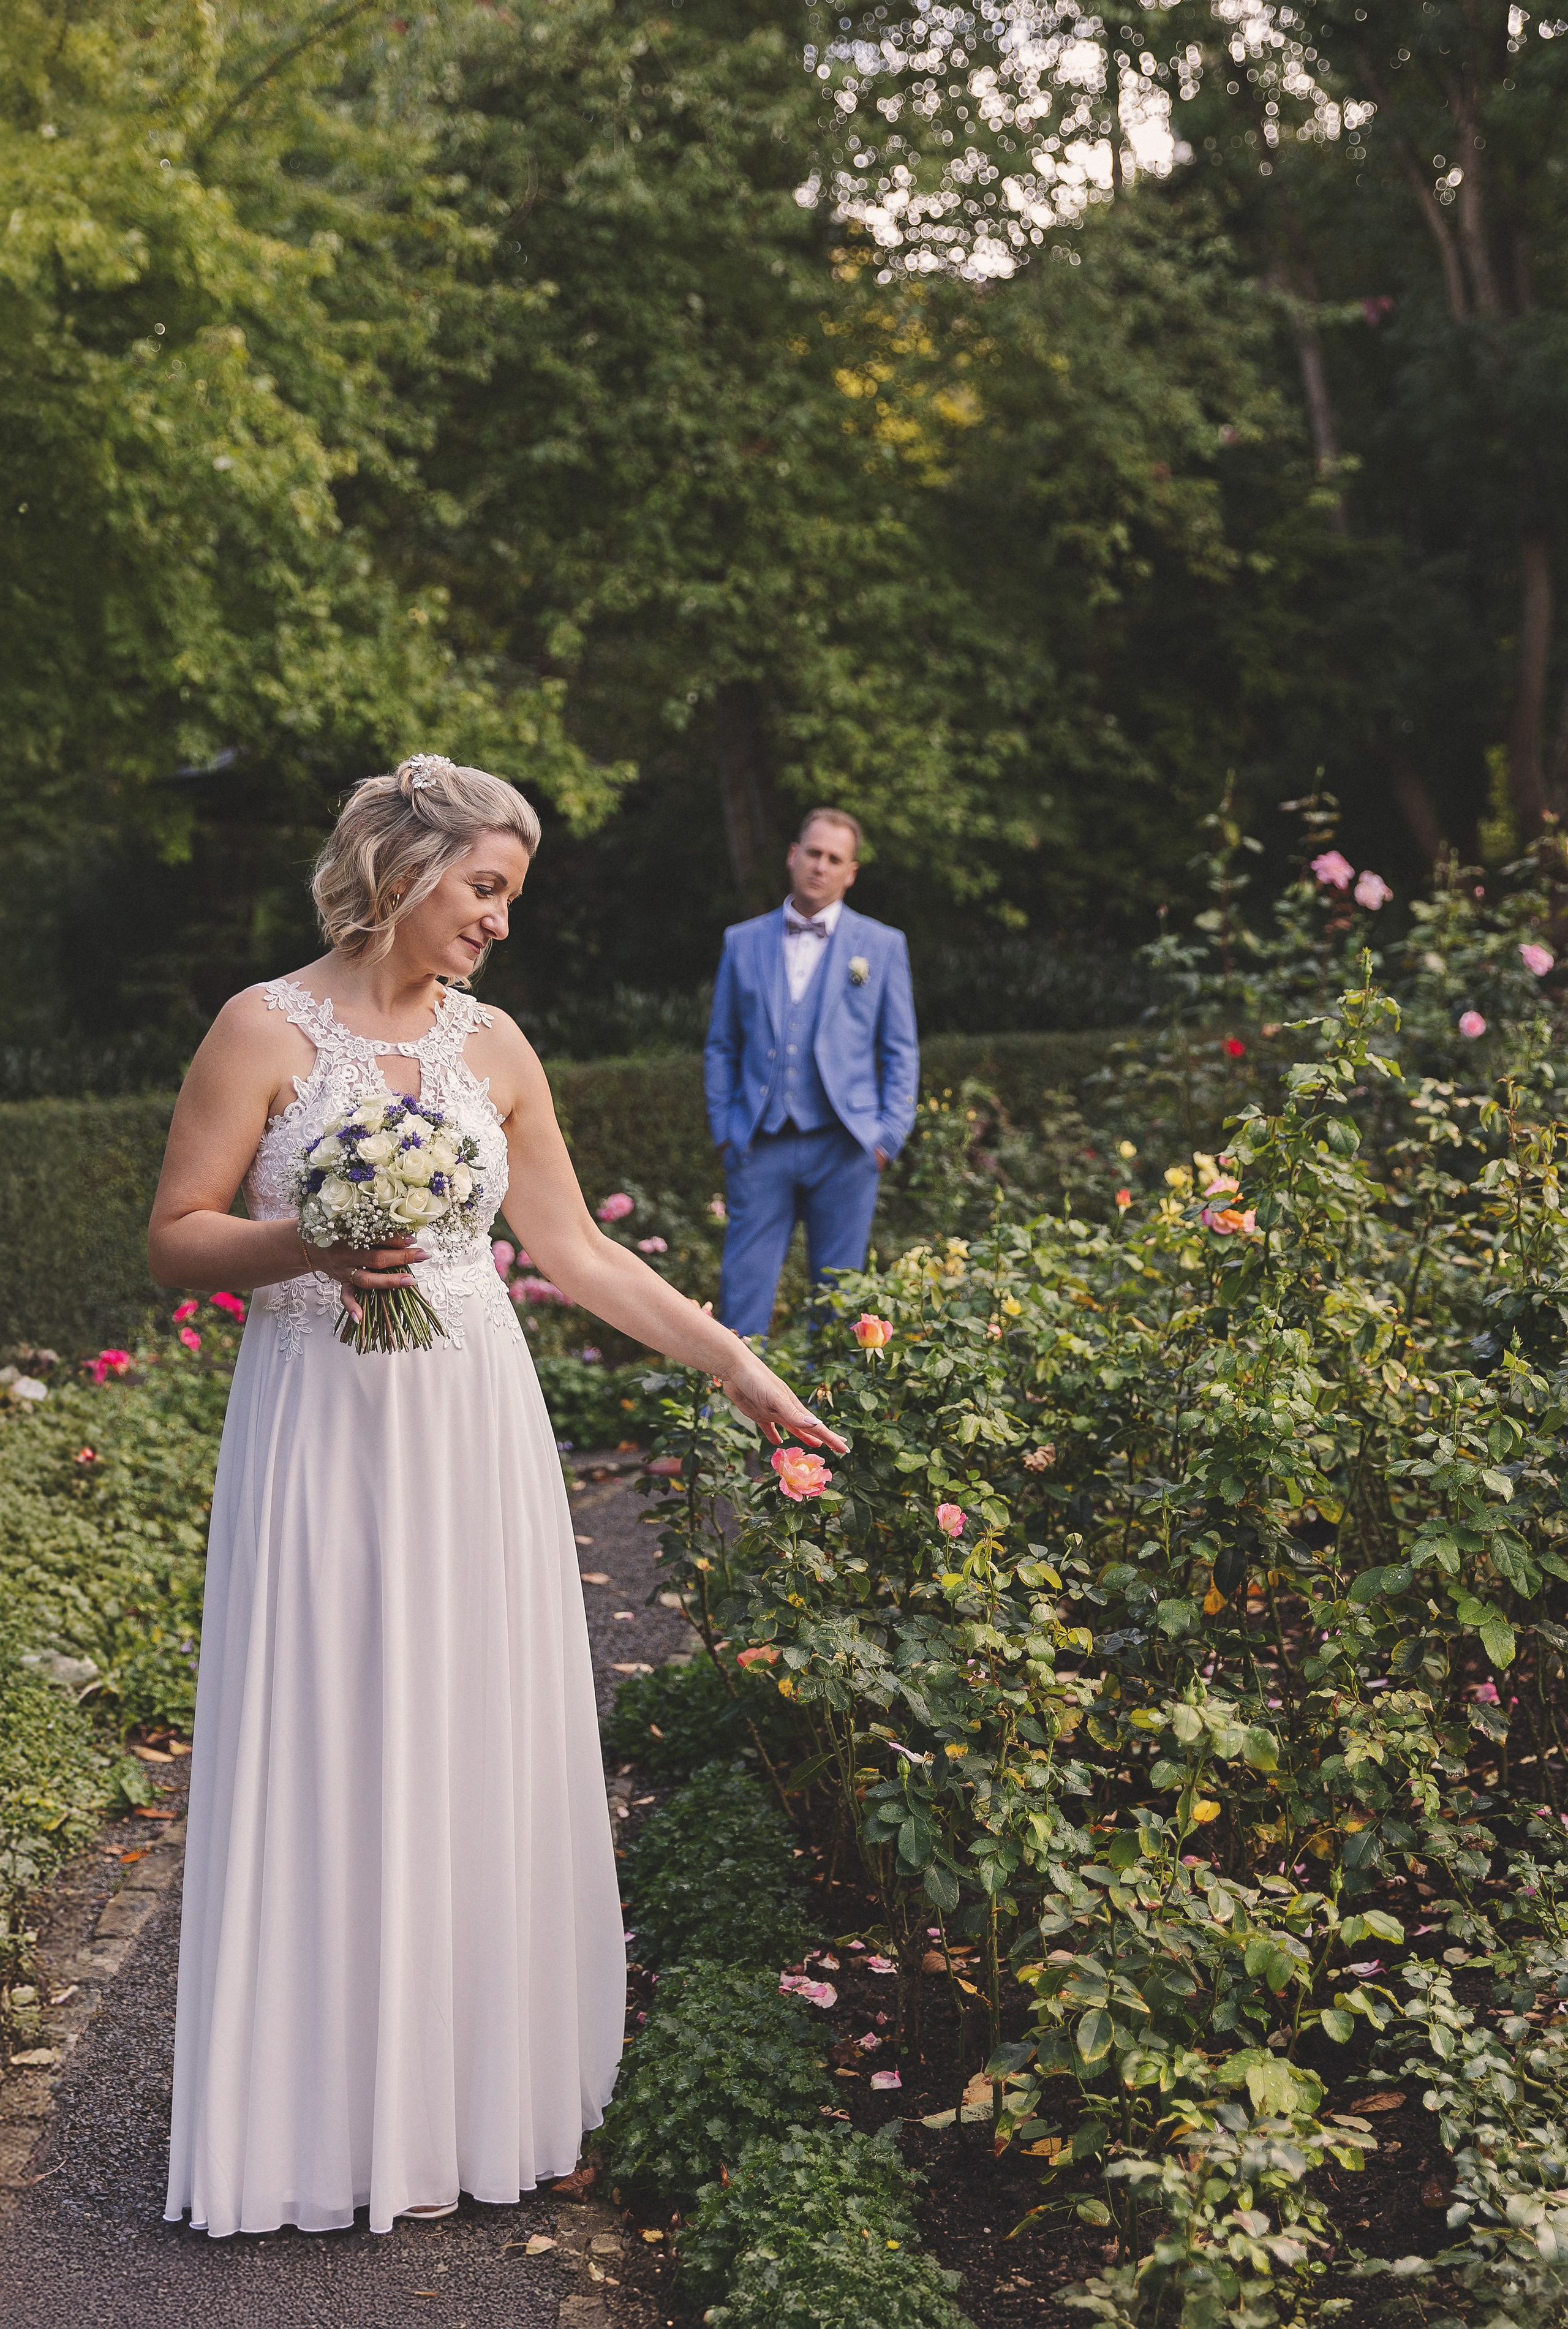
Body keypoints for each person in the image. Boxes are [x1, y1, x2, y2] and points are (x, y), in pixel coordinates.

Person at [148, 753, 846, 2240]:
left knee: (476, 1736)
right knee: (335, 1734)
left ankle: (482, 2111)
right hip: (321, 1431)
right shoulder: (257, 1030)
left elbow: (575, 1256)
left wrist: (738, 1367)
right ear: (399, 872)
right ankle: (316, 2128)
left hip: (473, 1425)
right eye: (483, 888)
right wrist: (307, 1250)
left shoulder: (500, 1052)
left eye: (509, 895)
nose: (499, 922)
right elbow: (177, 1241)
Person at [704, 808, 919, 1337]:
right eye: (814, 853)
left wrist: (886, 1137)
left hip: (847, 1148)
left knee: (841, 1307)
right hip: (760, 1142)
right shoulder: (742, 941)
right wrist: (726, 1133)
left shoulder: (883, 946)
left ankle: (832, 1416)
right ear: (793, 855)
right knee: (742, 1298)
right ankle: (725, 1418)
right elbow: (722, 1045)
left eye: (835, 859)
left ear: (851, 872)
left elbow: (900, 1050)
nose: (821, 867)